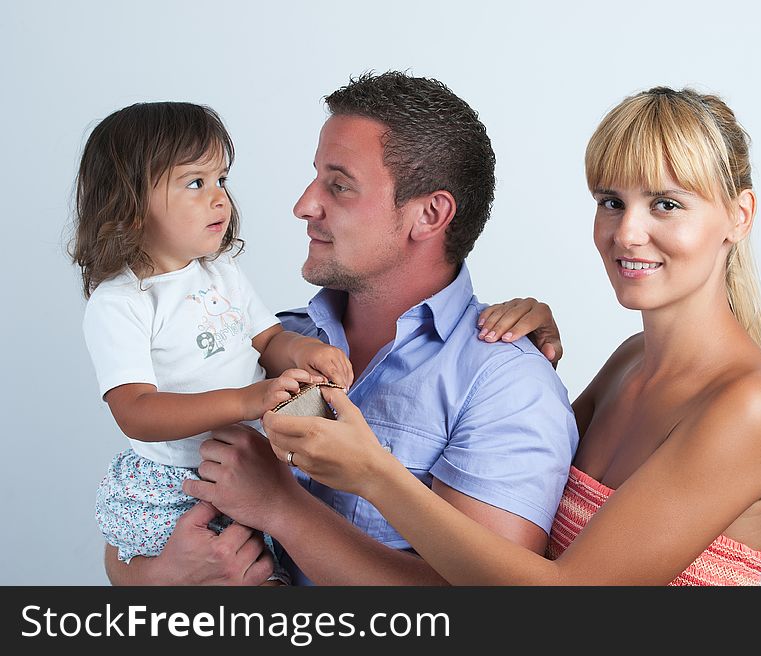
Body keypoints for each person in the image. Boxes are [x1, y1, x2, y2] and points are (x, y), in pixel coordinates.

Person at [259, 87, 761, 585]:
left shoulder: (752, 409)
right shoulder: (631, 362)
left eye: (666, 203)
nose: (627, 233)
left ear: (740, 215)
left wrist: (374, 475)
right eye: (611, 201)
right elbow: (525, 472)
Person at [105, 73, 579, 585]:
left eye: (339, 185)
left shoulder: (507, 386)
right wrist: (161, 577)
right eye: (314, 178)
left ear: (430, 214)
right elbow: (135, 521)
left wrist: (282, 508)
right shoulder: (266, 338)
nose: (304, 205)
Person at [71, 101, 353, 585]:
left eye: (221, 180)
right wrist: (247, 400)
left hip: (247, 466)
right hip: (174, 483)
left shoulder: (221, 272)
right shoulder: (121, 303)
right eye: (195, 183)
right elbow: (134, 410)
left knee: (267, 570)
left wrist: (305, 351)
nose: (220, 199)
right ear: (130, 203)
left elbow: (268, 340)